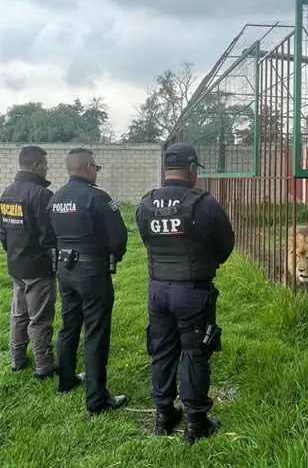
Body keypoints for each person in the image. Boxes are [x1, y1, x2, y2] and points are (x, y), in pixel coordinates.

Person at [135, 142, 234, 443]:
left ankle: (164, 414)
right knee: (195, 353)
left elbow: (146, 239)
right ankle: (196, 423)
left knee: (162, 350)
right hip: (193, 292)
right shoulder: (204, 203)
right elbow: (225, 245)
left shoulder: (146, 203)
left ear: (167, 168)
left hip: (158, 291)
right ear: (192, 169)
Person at [47, 148, 129, 414]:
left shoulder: (55, 198)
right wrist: (114, 254)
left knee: (69, 326)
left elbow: (49, 235)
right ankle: (97, 400)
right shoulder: (98, 198)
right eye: (96, 167)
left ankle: (66, 380)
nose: (97, 172)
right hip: (92, 272)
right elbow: (118, 236)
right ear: (87, 167)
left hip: (65, 270)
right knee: (96, 331)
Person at [0, 146, 58, 378]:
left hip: (16, 264)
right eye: (45, 164)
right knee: (40, 318)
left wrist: (14, 252)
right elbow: (49, 236)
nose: (47, 168)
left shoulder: (7, 192)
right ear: (35, 165)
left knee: (19, 314)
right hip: (38, 267)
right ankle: (44, 366)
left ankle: (18, 359)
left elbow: (3, 232)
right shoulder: (42, 195)